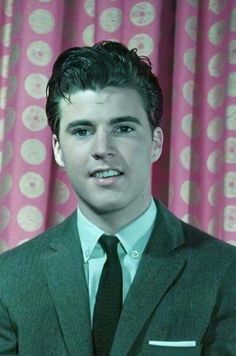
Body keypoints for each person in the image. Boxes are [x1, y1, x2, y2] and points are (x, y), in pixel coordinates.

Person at [0, 41, 235, 356]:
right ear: (57, 148)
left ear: (155, 142)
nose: (102, 148)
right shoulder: (9, 278)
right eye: (82, 131)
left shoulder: (224, 272)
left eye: (123, 128)